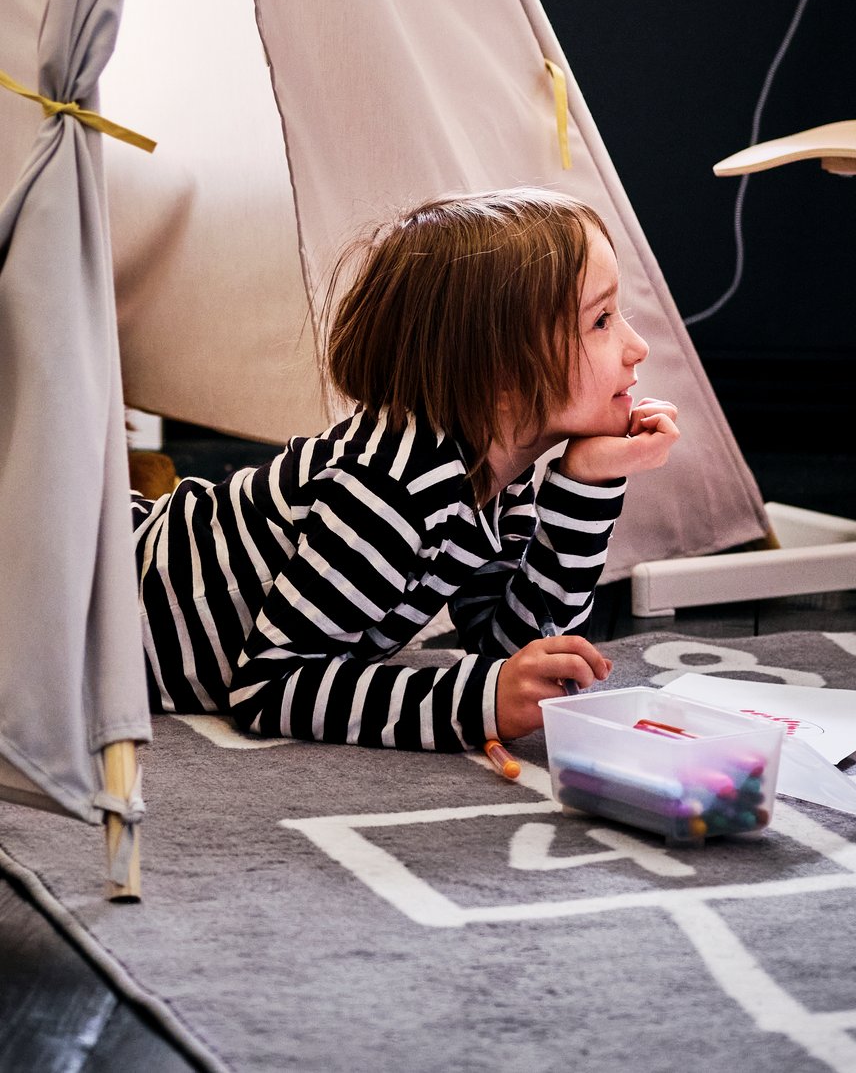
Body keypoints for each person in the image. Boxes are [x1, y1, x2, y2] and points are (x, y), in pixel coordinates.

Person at [130, 190, 678, 750]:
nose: (636, 348)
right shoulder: (393, 490)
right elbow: (269, 686)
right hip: (88, 600)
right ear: (501, 372)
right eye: (602, 320)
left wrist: (586, 484)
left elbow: (518, 655)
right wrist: (476, 703)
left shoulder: (497, 477)